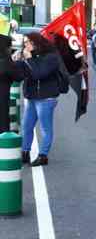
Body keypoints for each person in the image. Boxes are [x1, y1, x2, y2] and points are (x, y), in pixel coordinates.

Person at [18, 33, 64, 166]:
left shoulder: (51, 57)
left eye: (28, 42)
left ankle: (43, 155)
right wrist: (18, 61)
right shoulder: (30, 56)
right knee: (27, 126)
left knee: (45, 128)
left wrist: (29, 59)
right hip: (32, 96)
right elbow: (22, 74)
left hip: (46, 98)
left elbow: (39, 73)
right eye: (25, 42)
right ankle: (25, 153)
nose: (26, 45)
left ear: (37, 42)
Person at [0, 34, 24, 133]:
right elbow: (19, 76)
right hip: (2, 99)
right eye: (10, 46)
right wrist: (17, 62)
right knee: (2, 124)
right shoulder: (5, 61)